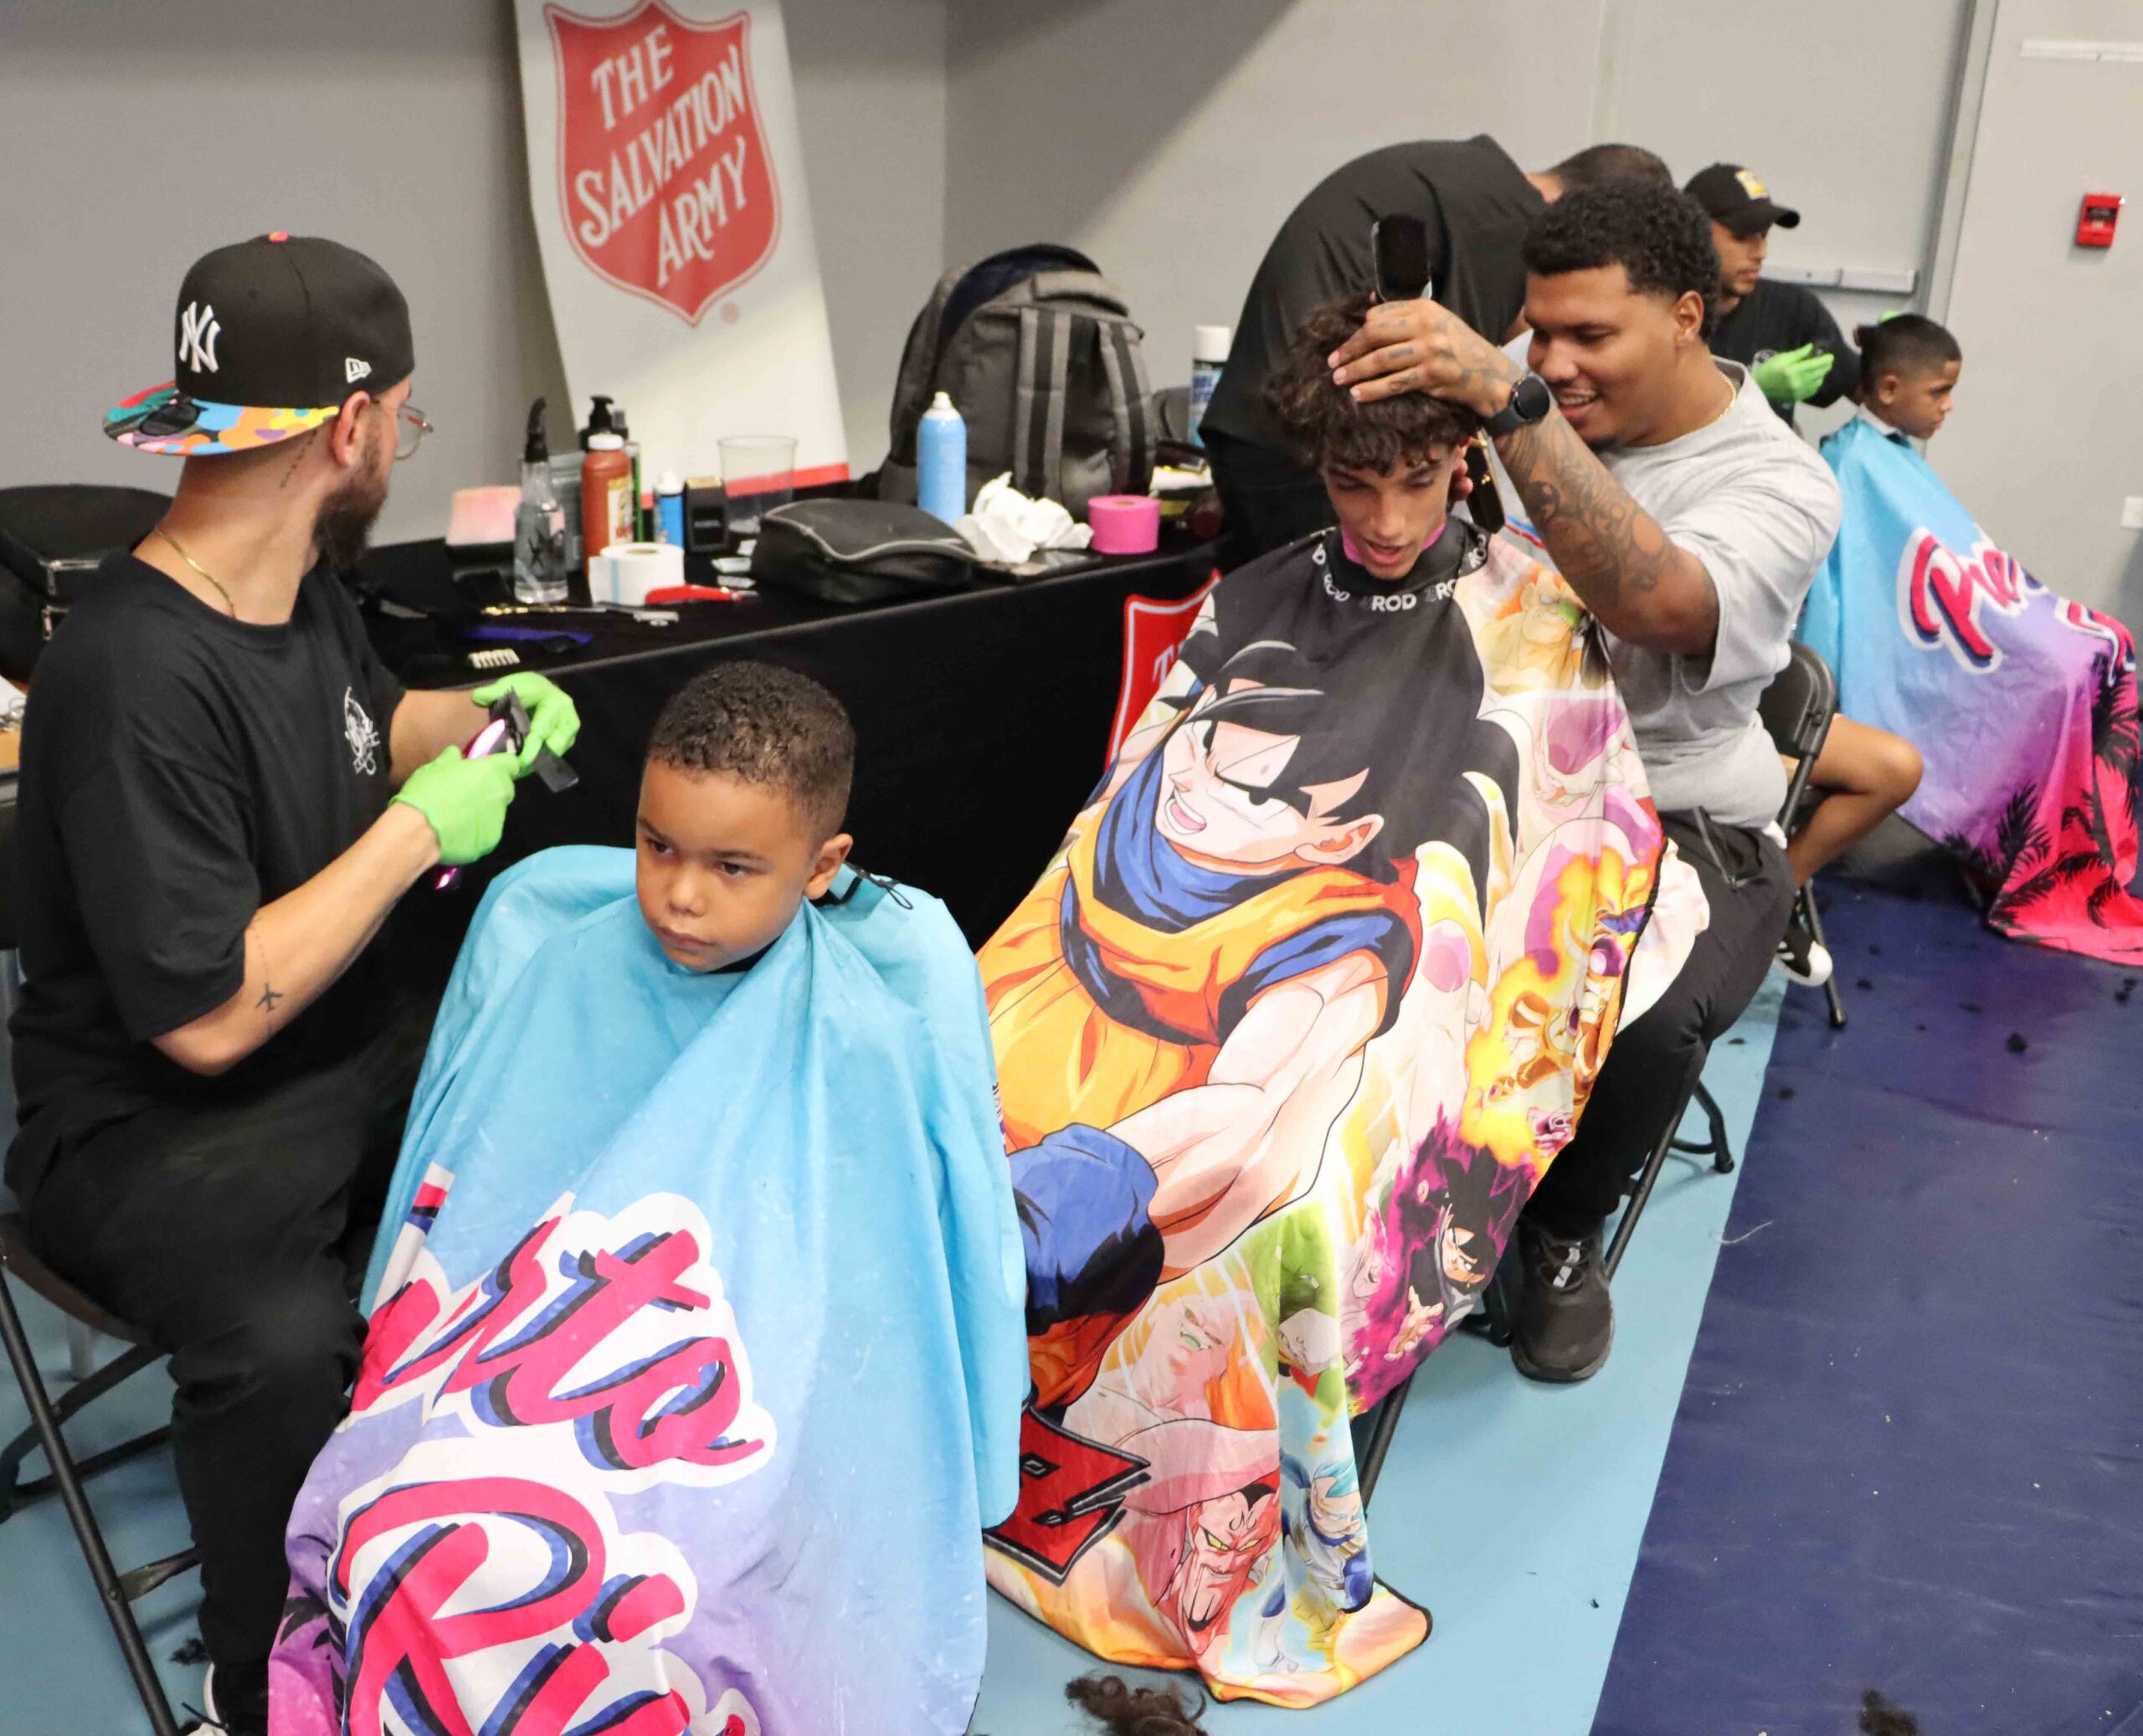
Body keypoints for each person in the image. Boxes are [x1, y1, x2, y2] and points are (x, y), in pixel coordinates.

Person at [979, 295, 1662, 1700]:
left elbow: (1554, 834)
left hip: (1362, 963)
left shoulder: (1531, 608)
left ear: (1466, 457)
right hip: (1144, 950)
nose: (1391, 510)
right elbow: (1113, 809)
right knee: (975, 1081)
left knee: (1286, 1193)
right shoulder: (1261, 594)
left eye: (1418, 476)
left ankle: (1179, 1518)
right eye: (1358, 479)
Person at [7, 234, 581, 1736]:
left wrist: (468, 721)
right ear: (349, 428)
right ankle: (258, 1681)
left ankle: (461, 1536)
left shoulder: (297, 585)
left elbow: (361, 723)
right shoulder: (130, 672)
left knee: (547, 1178)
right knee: (279, 1338)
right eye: (404, 410)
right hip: (138, 1123)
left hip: (328, 1054)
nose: (398, 434)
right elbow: (203, 1014)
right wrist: (413, 835)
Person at [272, 661, 1026, 1736]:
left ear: (821, 868)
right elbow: (462, 1204)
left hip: (737, 1398)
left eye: (731, 867)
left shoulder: (862, 1034)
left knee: (662, 1610)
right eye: (656, 844)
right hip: (517, 1351)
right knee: (395, 1536)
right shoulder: (563, 957)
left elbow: (880, 1314)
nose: (679, 891)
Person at [1326, 182, 1842, 1381]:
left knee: (1645, 1015)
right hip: (1485, 778)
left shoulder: (1775, 484)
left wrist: (1507, 409)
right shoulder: (1534, 367)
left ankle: (1562, 1230)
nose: (1552, 362)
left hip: (1682, 818)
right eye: (1535, 331)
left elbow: (1650, 601)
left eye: (1590, 338)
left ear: (1686, 317)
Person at [1804, 314, 2143, 962]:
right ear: (1890, 389)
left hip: (1980, 618)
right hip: (1941, 644)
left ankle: (2063, 845)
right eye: (1939, 393)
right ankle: (2015, 843)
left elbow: (1967, 560)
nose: (1948, 407)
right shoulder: (1848, 465)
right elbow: (1845, 593)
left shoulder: (1890, 458)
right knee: (2057, 672)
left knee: (2110, 645)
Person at [1202, 139, 1672, 560]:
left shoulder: (1470, 178)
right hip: (1309, 447)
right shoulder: (1513, 225)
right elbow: (1457, 385)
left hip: (1253, 422)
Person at [1686, 162, 1860, 429]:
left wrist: (1896, 345)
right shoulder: (1664, 314)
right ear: (1694, 232)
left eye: (1764, 235)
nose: (1760, 253)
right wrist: (1751, 385)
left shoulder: (1792, 308)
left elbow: (1868, 391)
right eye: (1743, 237)